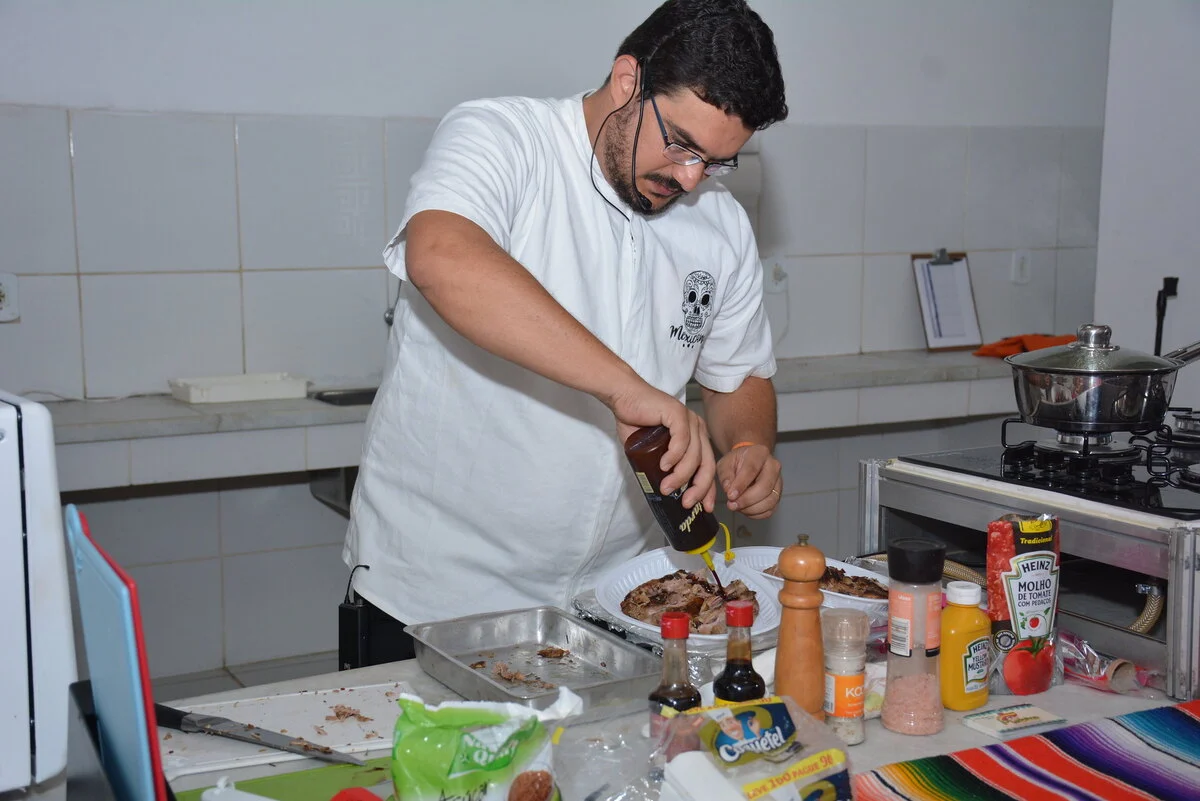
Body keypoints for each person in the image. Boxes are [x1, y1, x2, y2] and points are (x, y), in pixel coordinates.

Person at [341, 0, 789, 666]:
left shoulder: (717, 222)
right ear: (627, 80)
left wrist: (749, 443)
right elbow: (441, 254)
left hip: (617, 603)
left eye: (718, 162)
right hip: (436, 599)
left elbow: (740, 374)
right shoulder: (505, 138)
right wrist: (626, 388)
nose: (691, 177)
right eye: (682, 144)